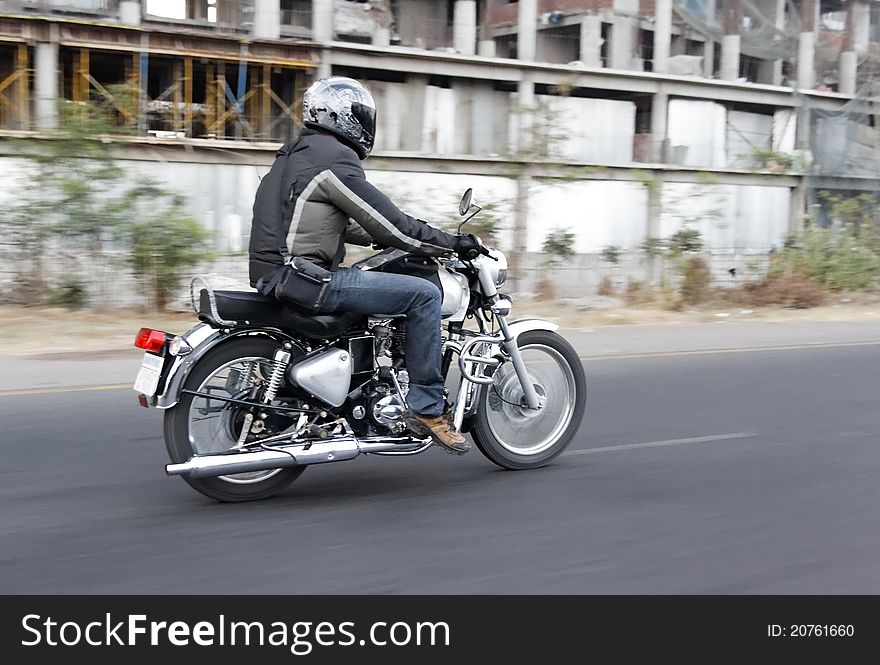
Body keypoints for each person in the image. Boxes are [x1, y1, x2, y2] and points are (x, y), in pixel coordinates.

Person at [248, 76, 483, 455]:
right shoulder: (334, 159)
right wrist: (451, 242)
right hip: (309, 279)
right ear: (344, 117)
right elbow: (392, 224)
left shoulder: (291, 158)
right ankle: (428, 408)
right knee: (422, 296)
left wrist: (381, 238)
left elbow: (327, 220)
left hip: (277, 274)